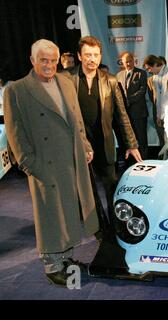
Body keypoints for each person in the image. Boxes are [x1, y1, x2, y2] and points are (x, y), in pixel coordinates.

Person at [3, 39, 99, 286]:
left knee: (68, 210)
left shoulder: (65, 82)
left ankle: (66, 258)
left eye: (53, 60)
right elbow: (15, 133)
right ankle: (52, 264)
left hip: (71, 159)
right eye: (43, 60)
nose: (49, 65)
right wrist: (29, 165)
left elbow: (76, 119)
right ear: (32, 60)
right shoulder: (17, 90)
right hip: (43, 163)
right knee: (50, 214)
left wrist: (85, 145)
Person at [63, 36, 142, 230]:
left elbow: (121, 115)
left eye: (96, 55)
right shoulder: (66, 80)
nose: (92, 59)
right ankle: (99, 227)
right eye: (88, 55)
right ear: (80, 56)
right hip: (78, 144)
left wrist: (131, 144)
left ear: (100, 56)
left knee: (111, 186)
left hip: (104, 143)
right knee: (86, 191)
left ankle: (116, 226)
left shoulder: (111, 81)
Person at [117, 52, 149, 160]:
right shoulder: (119, 75)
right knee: (131, 140)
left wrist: (128, 99)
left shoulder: (141, 73)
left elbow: (142, 90)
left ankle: (144, 160)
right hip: (126, 114)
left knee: (142, 138)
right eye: (126, 62)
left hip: (139, 113)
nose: (128, 63)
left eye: (130, 61)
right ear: (122, 62)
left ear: (133, 61)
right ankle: (133, 161)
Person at [143, 55, 168, 146]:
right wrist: (159, 115)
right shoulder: (155, 78)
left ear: (155, 64)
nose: (149, 71)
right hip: (162, 114)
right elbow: (158, 99)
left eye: (149, 68)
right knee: (164, 142)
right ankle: (167, 159)